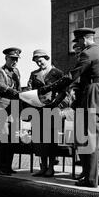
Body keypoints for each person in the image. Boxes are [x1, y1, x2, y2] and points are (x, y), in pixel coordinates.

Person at [42, 28, 99, 187]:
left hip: (93, 98)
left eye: (77, 41)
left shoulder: (87, 53)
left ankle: (91, 179)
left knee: (89, 139)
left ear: (84, 39)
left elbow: (72, 76)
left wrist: (49, 88)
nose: (76, 45)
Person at [27, 49, 64, 177]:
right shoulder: (34, 74)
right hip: (38, 109)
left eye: (41, 61)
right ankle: (42, 167)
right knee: (39, 140)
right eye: (37, 62)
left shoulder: (57, 73)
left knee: (51, 140)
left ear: (46, 58)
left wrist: (55, 102)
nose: (39, 64)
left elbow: (64, 92)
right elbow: (30, 91)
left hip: (52, 109)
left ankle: (51, 168)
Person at [0, 47, 22, 176]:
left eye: (16, 59)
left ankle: (8, 166)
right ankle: (2, 167)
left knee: (12, 139)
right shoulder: (0, 71)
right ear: (6, 58)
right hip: (2, 107)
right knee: (4, 138)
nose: (14, 62)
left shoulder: (16, 72)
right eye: (12, 59)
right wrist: (11, 90)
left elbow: (19, 88)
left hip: (13, 108)